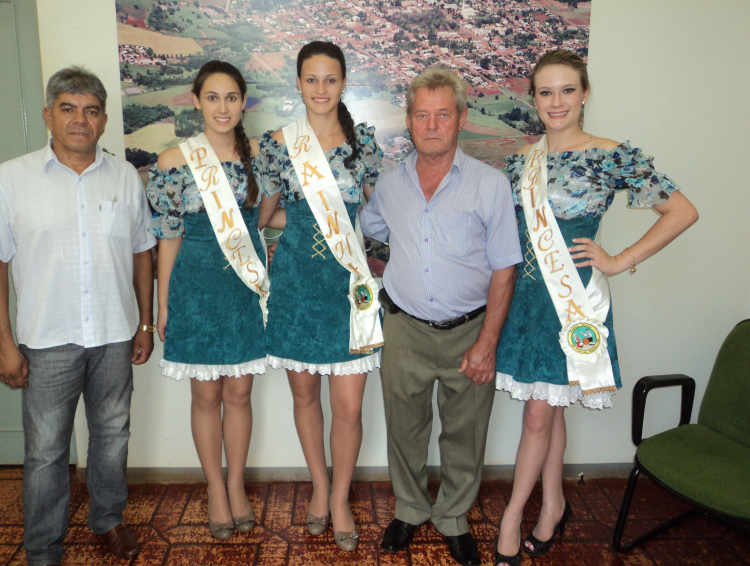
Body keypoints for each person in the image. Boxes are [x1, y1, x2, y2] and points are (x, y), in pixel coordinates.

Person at [493, 49, 698, 566]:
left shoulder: (612, 154)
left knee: (538, 416)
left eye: (567, 90)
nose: (556, 102)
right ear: (533, 99)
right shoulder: (522, 160)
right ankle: (555, 502)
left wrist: (619, 259)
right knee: (550, 406)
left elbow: (681, 210)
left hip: (574, 303)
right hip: (529, 301)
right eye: (545, 92)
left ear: (585, 94)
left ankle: (514, 515)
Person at [0, 66, 156, 566]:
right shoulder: (12, 178)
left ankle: (108, 520)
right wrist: (4, 344)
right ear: (50, 115)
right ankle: (44, 547)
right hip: (46, 340)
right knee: (47, 452)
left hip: (115, 335)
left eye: (91, 110)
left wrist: (145, 322)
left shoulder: (123, 178)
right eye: (69, 109)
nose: (80, 120)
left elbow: (143, 252)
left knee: (112, 437)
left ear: (103, 119)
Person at [360, 68, 522, 566]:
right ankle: (409, 509)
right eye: (422, 115)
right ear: (409, 121)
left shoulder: (489, 185)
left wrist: (487, 343)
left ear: (461, 119)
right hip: (404, 329)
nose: (432, 125)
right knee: (404, 428)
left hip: (470, 331)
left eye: (443, 114)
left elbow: (505, 267)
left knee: (464, 434)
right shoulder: (390, 183)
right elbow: (368, 231)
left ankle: (453, 517)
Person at [146, 61, 282, 540]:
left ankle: (237, 485)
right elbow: (168, 236)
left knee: (240, 393)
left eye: (231, 98)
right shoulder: (172, 162)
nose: (222, 107)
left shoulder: (258, 160)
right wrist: (164, 304)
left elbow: (263, 216)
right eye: (212, 97)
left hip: (242, 288)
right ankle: (215, 490)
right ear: (196, 100)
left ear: (243, 103)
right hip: (195, 289)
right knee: (205, 395)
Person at [259, 41, 385, 552]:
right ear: (298, 83)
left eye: (330, 79)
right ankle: (318, 486)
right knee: (305, 396)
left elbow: (376, 219)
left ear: (343, 83)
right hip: (296, 287)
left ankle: (340, 498)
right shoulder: (277, 144)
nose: (320, 89)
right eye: (311, 79)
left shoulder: (365, 146)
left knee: (349, 409)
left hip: (348, 289)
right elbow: (267, 216)